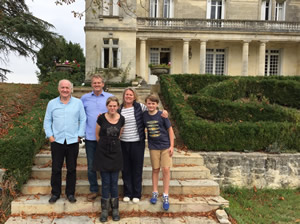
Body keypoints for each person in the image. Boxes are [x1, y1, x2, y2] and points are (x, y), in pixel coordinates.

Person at [119, 88, 168, 203]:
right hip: (123, 142)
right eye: (127, 95)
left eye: (131, 95)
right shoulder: (120, 108)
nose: (128, 96)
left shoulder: (140, 107)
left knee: (136, 168)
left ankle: (136, 194)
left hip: (137, 142)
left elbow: (154, 110)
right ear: (124, 96)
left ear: (134, 96)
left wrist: (164, 112)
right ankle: (127, 193)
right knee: (126, 169)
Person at [43, 79, 86, 204]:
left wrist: (79, 135)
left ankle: (70, 193)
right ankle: (55, 193)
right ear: (59, 89)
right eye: (63, 87)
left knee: (71, 169)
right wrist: (50, 136)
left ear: (71, 89)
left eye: (67, 88)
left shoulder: (78, 103)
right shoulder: (52, 103)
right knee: (56, 169)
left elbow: (83, 119)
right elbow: (47, 121)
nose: (65, 90)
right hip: (57, 141)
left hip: (73, 141)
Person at [81, 74, 113, 201]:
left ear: (103, 84)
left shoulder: (109, 98)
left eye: (99, 82)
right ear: (91, 84)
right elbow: (81, 116)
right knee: (91, 166)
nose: (97, 85)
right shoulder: (84, 98)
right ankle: (94, 189)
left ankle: (107, 190)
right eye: (94, 83)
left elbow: (115, 113)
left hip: (106, 138)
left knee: (106, 165)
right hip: (90, 137)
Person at [93, 96, 125, 222]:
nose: (112, 108)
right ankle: (104, 210)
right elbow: (97, 134)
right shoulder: (101, 118)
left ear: (117, 106)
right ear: (107, 106)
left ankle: (115, 209)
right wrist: (104, 145)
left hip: (116, 152)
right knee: (105, 182)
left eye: (114, 106)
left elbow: (119, 134)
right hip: (103, 152)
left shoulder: (121, 119)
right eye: (110, 106)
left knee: (114, 182)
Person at [143, 94, 174, 211]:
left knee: (165, 169)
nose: (151, 105)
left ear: (157, 104)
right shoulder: (144, 115)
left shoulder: (162, 115)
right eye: (149, 103)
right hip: (153, 147)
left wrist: (172, 146)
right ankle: (155, 192)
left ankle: (165, 195)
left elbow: (170, 130)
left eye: (153, 103)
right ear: (146, 104)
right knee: (155, 169)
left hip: (165, 146)